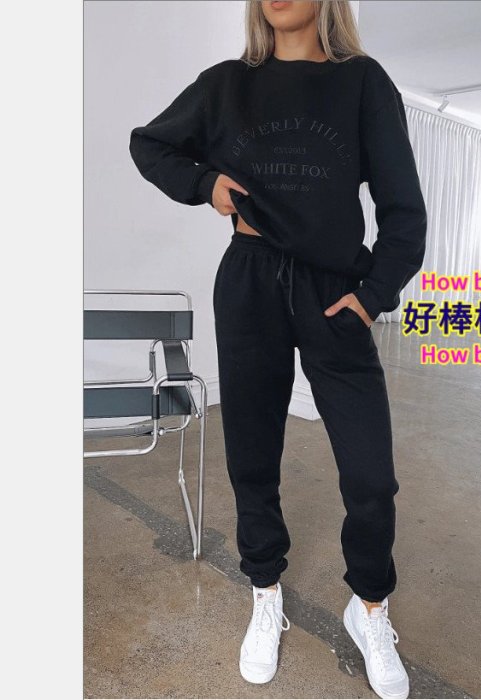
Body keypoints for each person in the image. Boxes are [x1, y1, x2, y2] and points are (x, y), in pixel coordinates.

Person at [129, 2, 427, 698]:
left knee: (371, 475)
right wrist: (204, 184)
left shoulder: (362, 83)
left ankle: (369, 607)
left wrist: (373, 294)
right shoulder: (227, 84)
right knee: (252, 455)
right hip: (250, 282)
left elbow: (404, 209)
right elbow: (150, 144)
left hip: (334, 291)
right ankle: (265, 591)